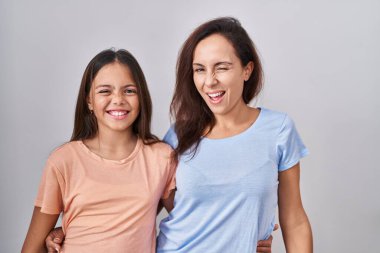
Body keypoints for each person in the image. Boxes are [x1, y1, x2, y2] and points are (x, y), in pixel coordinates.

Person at [155, 17, 313, 252]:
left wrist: (249, 235)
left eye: (222, 67)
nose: (209, 81)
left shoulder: (278, 129)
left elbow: (295, 220)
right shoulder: (178, 135)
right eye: (200, 69)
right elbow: (145, 208)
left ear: (246, 70)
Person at [21, 49, 177, 253]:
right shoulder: (64, 161)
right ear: (89, 101)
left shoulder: (161, 157)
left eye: (129, 90)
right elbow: (32, 248)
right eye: (105, 91)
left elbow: (190, 220)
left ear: (141, 97)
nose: (118, 99)